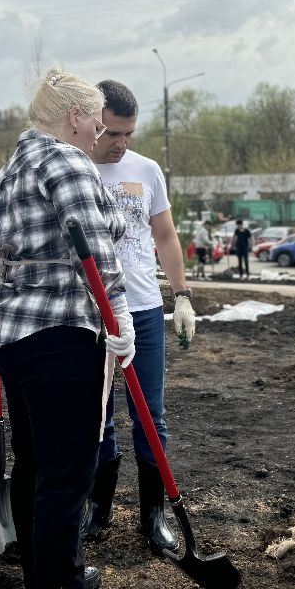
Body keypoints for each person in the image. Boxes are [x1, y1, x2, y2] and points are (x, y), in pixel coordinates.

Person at [0, 68, 134, 589]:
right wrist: (119, 317)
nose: (98, 133)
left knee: (35, 462)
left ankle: (41, 580)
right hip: (63, 331)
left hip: (12, 335)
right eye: (95, 122)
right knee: (69, 469)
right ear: (74, 118)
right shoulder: (67, 160)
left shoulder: (12, 166)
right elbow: (95, 248)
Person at [78, 79, 198, 554]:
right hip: (90, 314)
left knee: (152, 414)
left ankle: (154, 515)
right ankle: (99, 508)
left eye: (128, 134)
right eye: (111, 133)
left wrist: (182, 295)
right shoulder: (74, 169)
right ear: (91, 121)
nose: (120, 144)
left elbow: (165, 237)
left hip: (144, 310)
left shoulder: (146, 171)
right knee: (98, 416)